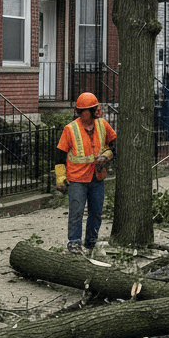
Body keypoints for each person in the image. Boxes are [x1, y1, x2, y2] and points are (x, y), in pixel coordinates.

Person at [56, 93, 116, 254]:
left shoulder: (103, 125)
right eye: (92, 109)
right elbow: (59, 155)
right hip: (77, 179)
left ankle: (90, 243)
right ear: (83, 112)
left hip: (97, 177)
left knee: (96, 213)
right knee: (76, 211)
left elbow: (114, 146)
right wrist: (60, 177)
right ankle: (74, 243)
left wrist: (106, 156)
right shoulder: (70, 129)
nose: (97, 111)